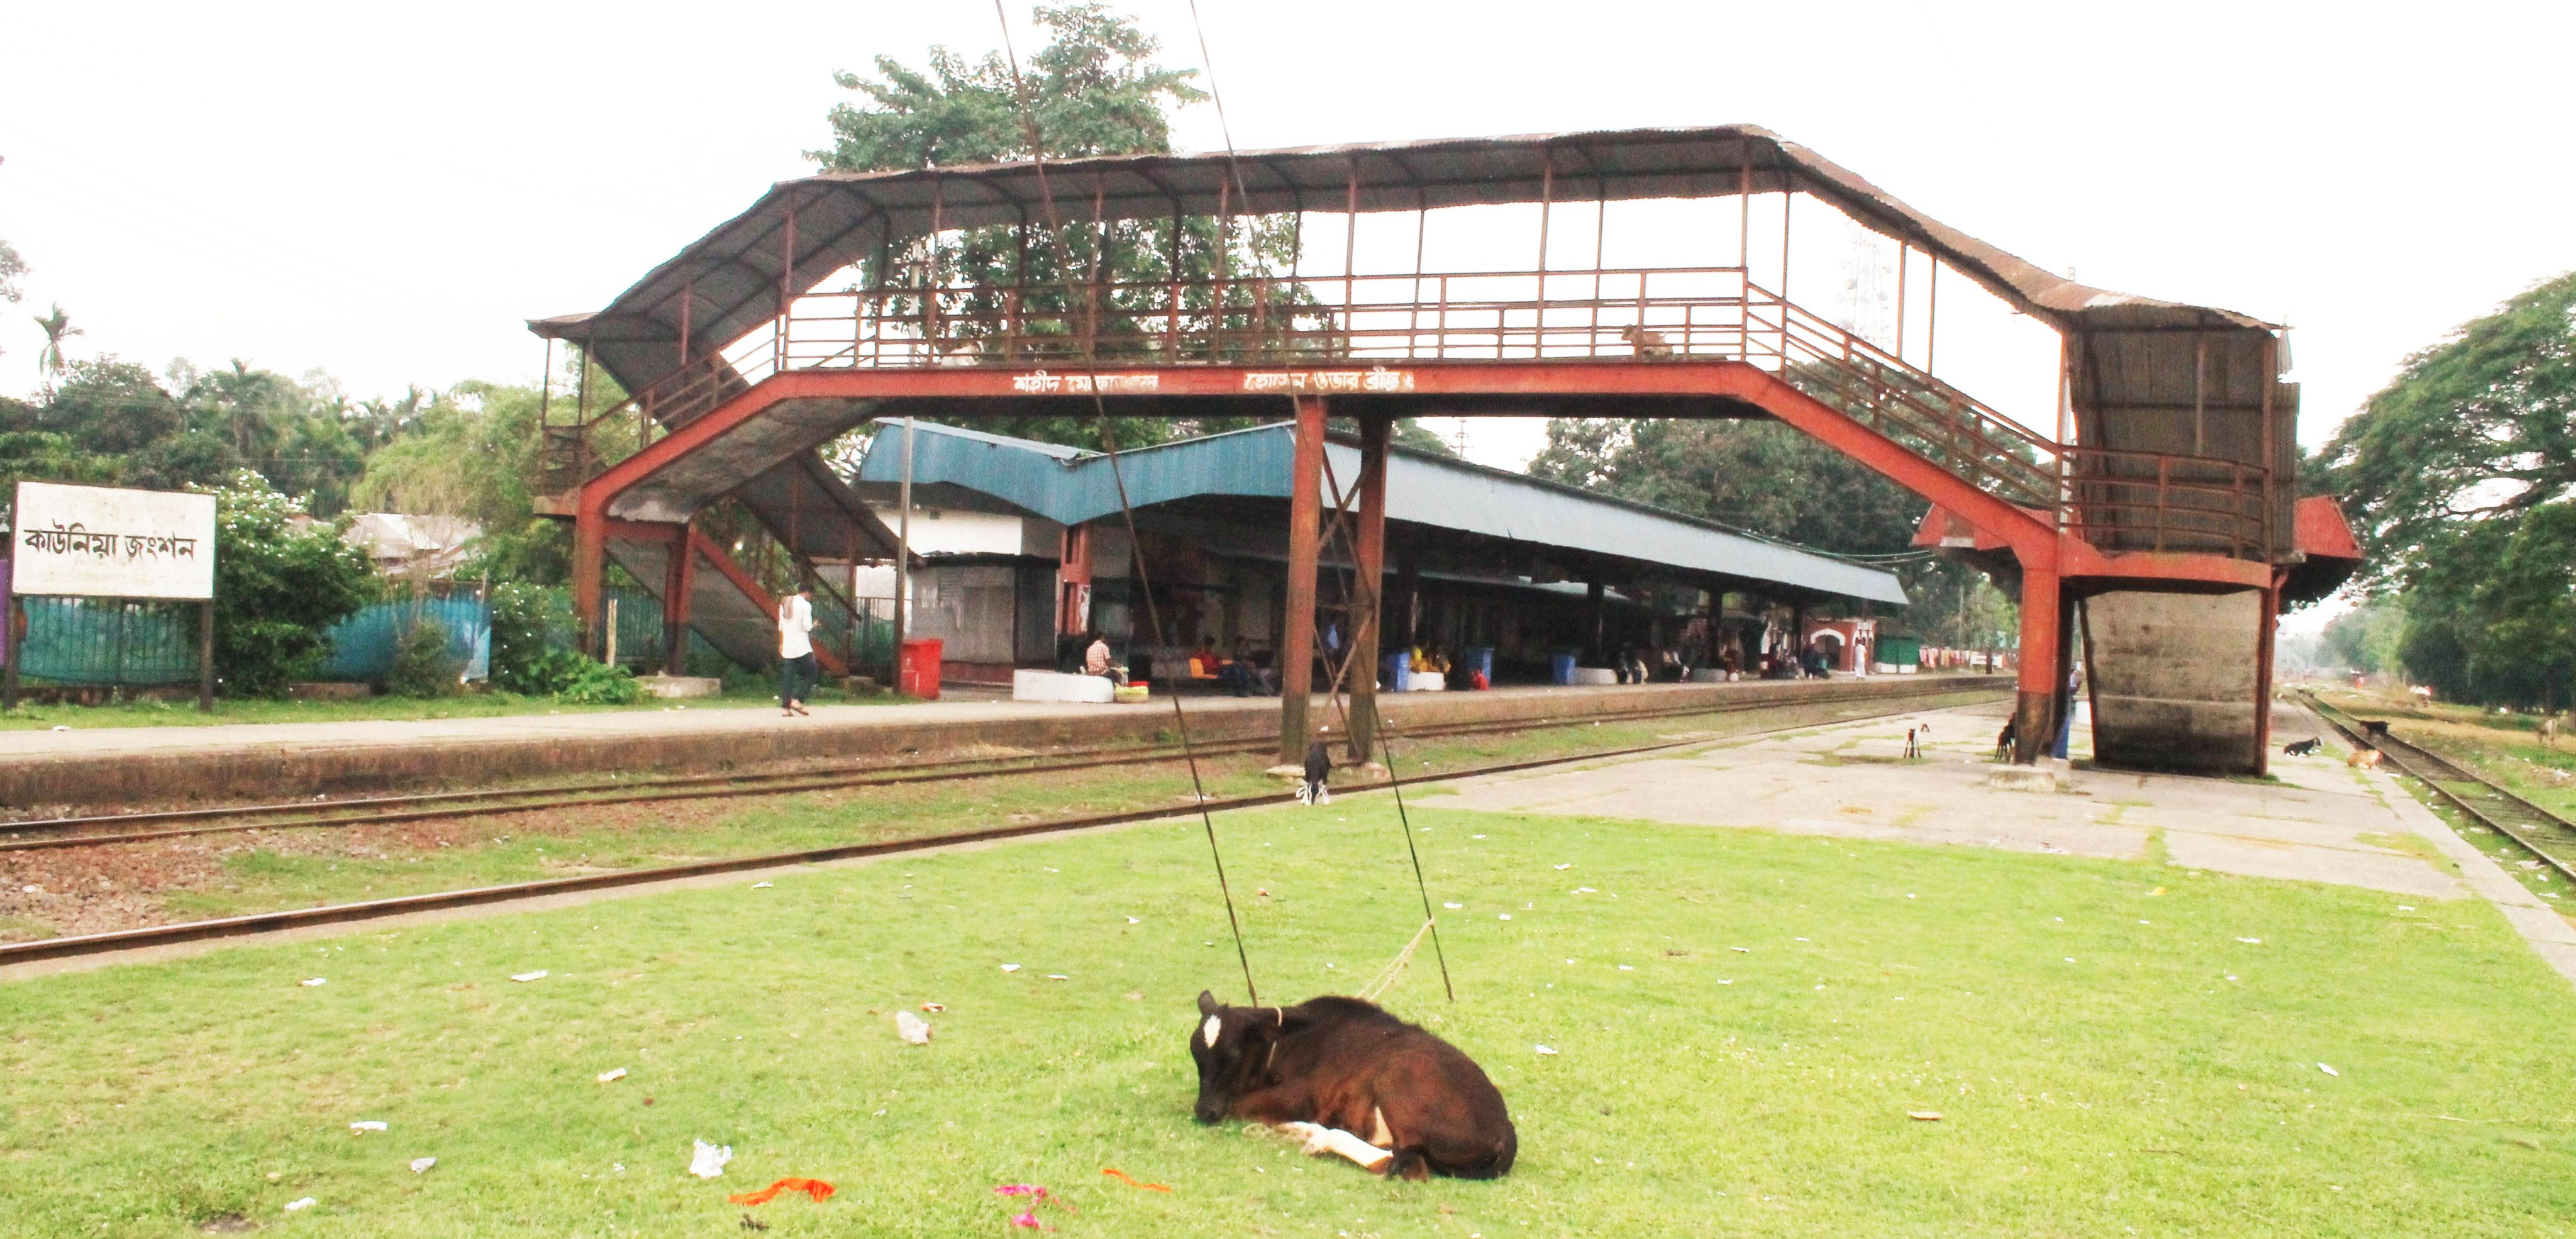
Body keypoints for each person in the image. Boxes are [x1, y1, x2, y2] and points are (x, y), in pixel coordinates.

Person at [777, 586, 816, 716]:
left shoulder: (785, 603)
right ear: (808, 593)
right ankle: (798, 699)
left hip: (788, 646)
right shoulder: (806, 605)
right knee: (812, 673)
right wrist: (814, 625)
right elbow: (807, 627)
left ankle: (785, 708)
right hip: (802, 647)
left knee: (788, 677)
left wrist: (781, 643)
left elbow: (781, 626)